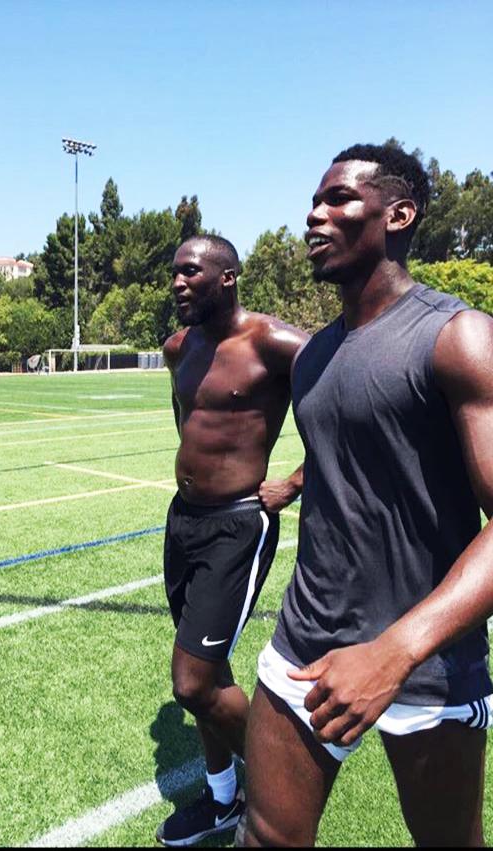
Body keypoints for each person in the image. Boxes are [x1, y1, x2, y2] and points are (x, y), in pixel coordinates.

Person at [243, 143, 493, 847]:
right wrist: (293, 483)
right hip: (305, 642)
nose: (314, 214)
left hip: (426, 663)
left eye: (339, 200)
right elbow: (344, 453)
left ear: (399, 214)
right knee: (265, 837)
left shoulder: (458, 337)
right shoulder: (315, 353)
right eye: (313, 202)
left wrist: (395, 650)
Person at [156, 234, 307, 846]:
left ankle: (292, 764)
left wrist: (295, 482)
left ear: (228, 278)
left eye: (190, 271)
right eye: (173, 272)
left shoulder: (276, 343)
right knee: (207, 676)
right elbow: (186, 419)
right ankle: (223, 800)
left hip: (237, 526)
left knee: (191, 683)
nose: (177, 282)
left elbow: (349, 410)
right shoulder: (178, 348)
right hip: (183, 520)